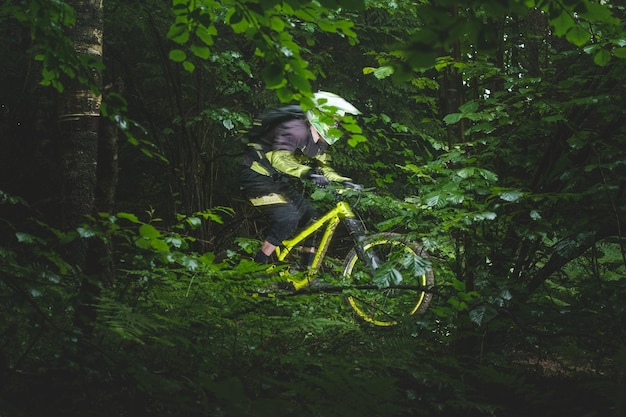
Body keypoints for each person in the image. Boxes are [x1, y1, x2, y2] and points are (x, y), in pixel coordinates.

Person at [240, 91, 363, 268]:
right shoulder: (295, 129)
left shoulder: (320, 142)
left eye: (337, 122)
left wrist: (343, 180)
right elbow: (279, 158)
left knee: (310, 215)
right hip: (254, 175)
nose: (335, 125)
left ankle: (306, 269)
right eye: (333, 120)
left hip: (276, 179)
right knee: (288, 218)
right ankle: (256, 267)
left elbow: (323, 168)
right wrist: (307, 172)